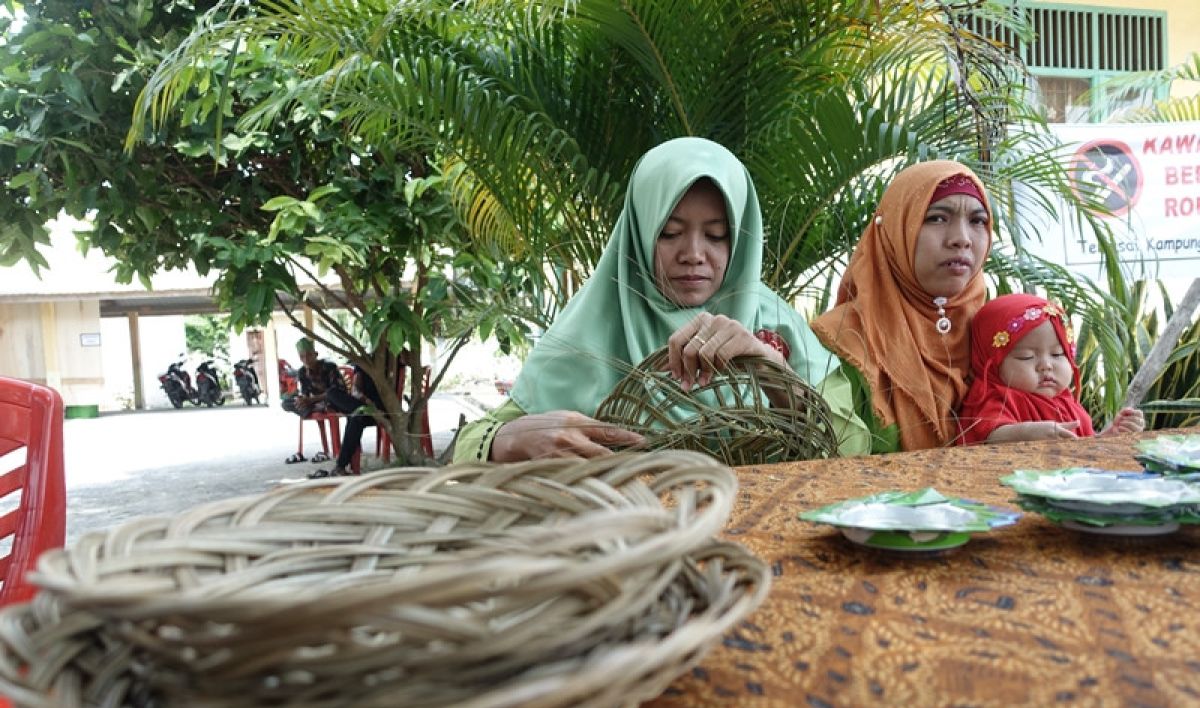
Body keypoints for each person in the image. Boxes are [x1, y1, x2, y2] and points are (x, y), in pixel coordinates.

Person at [453, 137, 871, 463]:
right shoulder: (594, 324)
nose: (693, 253)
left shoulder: (776, 323)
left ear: (739, 238)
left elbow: (853, 447)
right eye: (669, 233)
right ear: (639, 232)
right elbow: (472, 446)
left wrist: (773, 371)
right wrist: (509, 441)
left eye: (716, 235)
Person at [810, 161, 992, 452]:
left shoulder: (999, 333)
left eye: (978, 221)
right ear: (894, 229)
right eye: (936, 218)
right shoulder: (842, 339)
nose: (962, 239)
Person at [956, 293, 1144, 444]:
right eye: (1026, 357)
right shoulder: (995, 397)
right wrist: (1025, 433)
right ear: (991, 363)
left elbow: (1083, 447)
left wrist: (1110, 436)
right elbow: (989, 436)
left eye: (1057, 354)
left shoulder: (1066, 402)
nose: (1046, 365)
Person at [307, 365, 384, 478]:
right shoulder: (363, 364)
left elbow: (406, 359)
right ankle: (340, 467)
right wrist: (367, 402)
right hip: (364, 407)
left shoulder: (393, 360)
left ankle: (340, 466)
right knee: (332, 393)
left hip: (381, 411)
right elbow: (355, 390)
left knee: (356, 417)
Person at [282, 337, 346, 464]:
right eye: (302, 356)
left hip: (334, 401)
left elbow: (336, 391)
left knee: (331, 398)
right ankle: (309, 408)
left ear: (315, 354)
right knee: (286, 403)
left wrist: (311, 400)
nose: (306, 359)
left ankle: (309, 409)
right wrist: (302, 399)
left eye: (309, 355)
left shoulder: (329, 367)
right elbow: (305, 393)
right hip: (315, 403)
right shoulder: (301, 372)